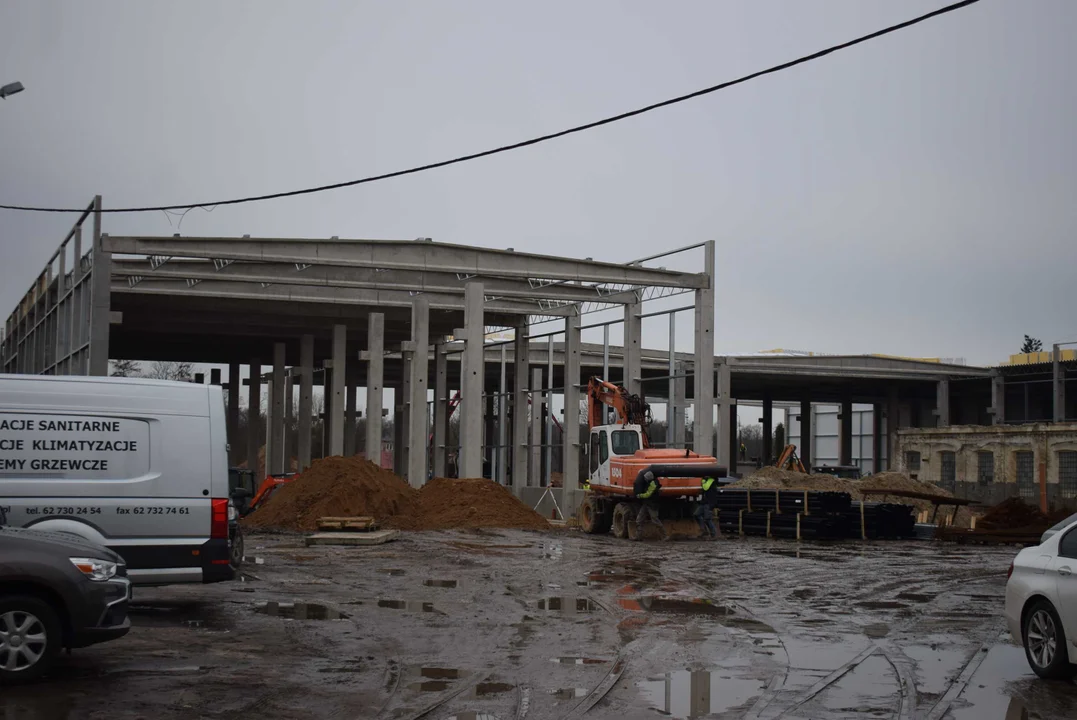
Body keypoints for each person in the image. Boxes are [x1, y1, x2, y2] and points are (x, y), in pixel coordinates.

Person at [633, 469, 668, 541]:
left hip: (652, 505)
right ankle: (638, 536)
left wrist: (639, 496)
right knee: (639, 520)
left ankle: (664, 536)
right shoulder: (651, 482)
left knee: (655, 520)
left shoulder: (653, 484)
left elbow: (648, 494)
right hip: (647, 503)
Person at [694, 475, 719, 539]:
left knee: (708, 519)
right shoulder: (707, 481)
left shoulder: (711, 481)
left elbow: (705, 487)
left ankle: (714, 534)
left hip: (709, 503)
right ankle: (704, 530)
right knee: (696, 515)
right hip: (704, 502)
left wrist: (702, 481)